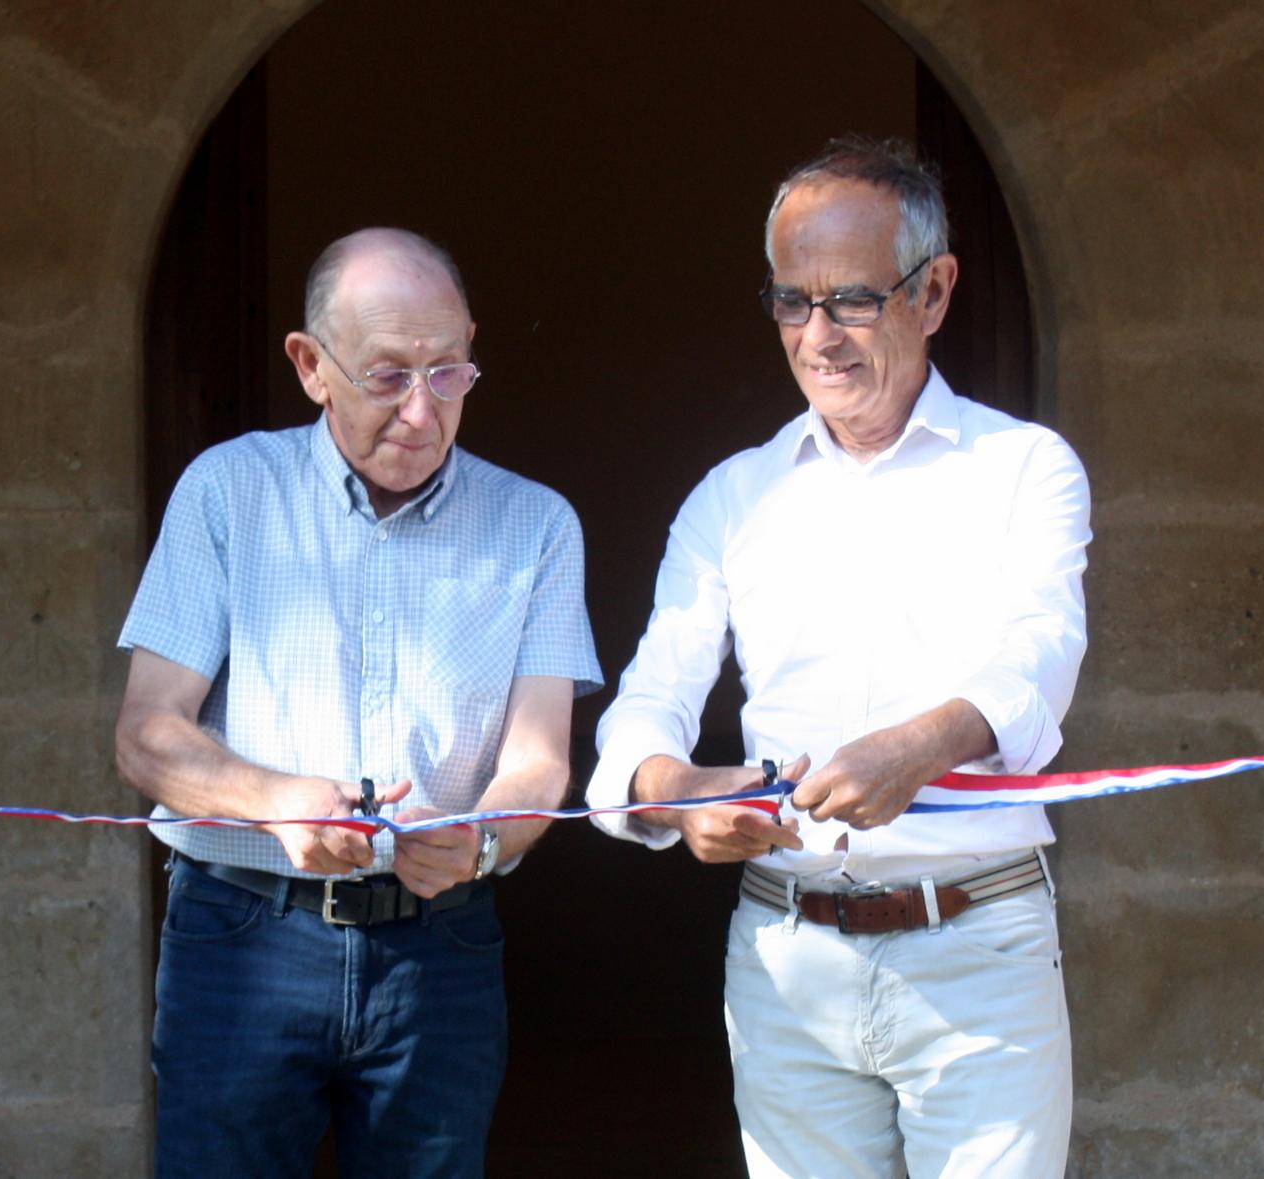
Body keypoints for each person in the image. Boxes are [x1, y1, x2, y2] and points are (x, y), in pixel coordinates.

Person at [587, 138, 1091, 1178]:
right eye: (789, 301)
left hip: (978, 945)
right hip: (786, 957)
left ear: (935, 291)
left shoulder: (1023, 468)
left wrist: (920, 746)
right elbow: (646, 705)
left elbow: (1039, 655)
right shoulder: (732, 496)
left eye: (853, 299)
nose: (817, 337)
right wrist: (677, 791)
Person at [115, 227, 602, 1177]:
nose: (422, 412)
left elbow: (540, 758)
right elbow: (144, 735)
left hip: (440, 945)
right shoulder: (228, 493)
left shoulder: (537, 524)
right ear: (311, 365)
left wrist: (482, 840)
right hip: (241, 931)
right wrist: (275, 802)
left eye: (449, 373)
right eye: (386, 377)